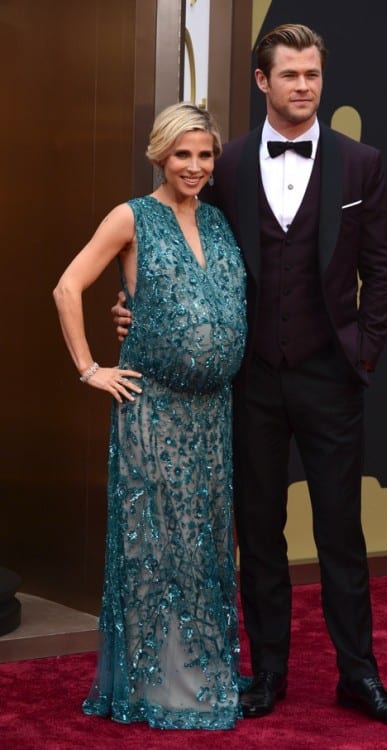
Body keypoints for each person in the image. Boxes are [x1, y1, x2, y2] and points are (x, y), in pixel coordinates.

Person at [113, 24, 387, 725]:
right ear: (262, 81)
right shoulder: (231, 163)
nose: (303, 86)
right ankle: (268, 671)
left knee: (341, 532)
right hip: (249, 382)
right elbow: (186, 249)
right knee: (261, 531)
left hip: (330, 379)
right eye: (290, 75)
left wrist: (362, 355)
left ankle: (358, 676)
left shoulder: (361, 163)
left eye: (312, 75)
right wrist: (133, 305)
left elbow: (386, 268)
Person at [53, 103, 247, 730]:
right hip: (153, 411)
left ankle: (205, 666)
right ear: (160, 154)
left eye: (205, 154)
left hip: (212, 415)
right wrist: (90, 369)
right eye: (182, 154)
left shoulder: (218, 222)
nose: (194, 166)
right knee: (158, 546)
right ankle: (159, 685)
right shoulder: (130, 216)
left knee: (205, 541)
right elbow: (67, 286)